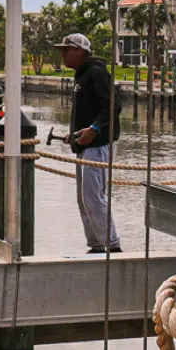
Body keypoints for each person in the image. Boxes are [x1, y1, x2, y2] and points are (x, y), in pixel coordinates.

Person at [56, 32, 122, 253]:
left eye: (67, 50)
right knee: (83, 199)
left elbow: (113, 106)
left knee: (93, 198)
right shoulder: (82, 75)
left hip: (97, 145)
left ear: (80, 51)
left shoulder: (96, 73)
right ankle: (96, 244)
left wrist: (94, 130)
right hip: (84, 145)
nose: (63, 55)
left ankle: (112, 246)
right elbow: (87, 111)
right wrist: (73, 134)